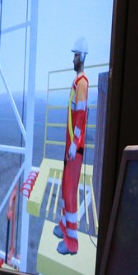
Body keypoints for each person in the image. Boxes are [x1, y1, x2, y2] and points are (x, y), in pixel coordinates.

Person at [56, 36, 89, 255]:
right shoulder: (76, 83)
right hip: (71, 147)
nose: (73, 59)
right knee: (64, 187)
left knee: (70, 192)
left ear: (82, 56)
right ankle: (63, 227)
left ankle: (72, 243)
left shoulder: (82, 84)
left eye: (75, 55)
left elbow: (80, 119)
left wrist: (74, 145)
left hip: (75, 149)